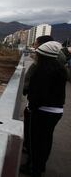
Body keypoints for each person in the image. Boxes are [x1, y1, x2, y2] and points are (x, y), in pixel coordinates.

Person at [22, 41, 68, 176]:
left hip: (41, 112)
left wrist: (31, 106)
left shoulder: (42, 71)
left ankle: (33, 168)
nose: (35, 55)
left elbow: (39, 94)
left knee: (34, 141)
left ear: (43, 56)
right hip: (56, 112)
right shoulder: (60, 69)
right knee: (46, 140)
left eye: (37, 53)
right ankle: (40, 167)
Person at [22, 35, 55, 156]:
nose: (34, 47)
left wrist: (32, 106)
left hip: (41, 108)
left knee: (37, 137)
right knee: (44, 138)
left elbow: (41, 88)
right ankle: (36, 162)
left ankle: (34, 166)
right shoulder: (55, 65)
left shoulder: (44, 67)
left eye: (36, 44)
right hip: (48, 108)